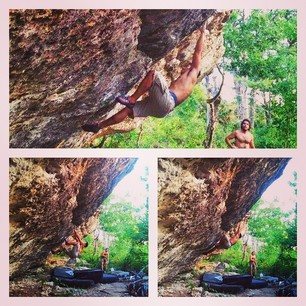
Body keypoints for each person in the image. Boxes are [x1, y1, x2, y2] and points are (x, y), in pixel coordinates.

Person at [82, 22, 208, 133]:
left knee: (153, 74)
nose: (185, 67)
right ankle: (99, 126)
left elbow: (198, 53)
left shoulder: (193, 74)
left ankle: (131, 99)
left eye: (187, 67)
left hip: (167, 102)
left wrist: (203, 32)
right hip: (162, 109)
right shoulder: (186, 84)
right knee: (127, 111)